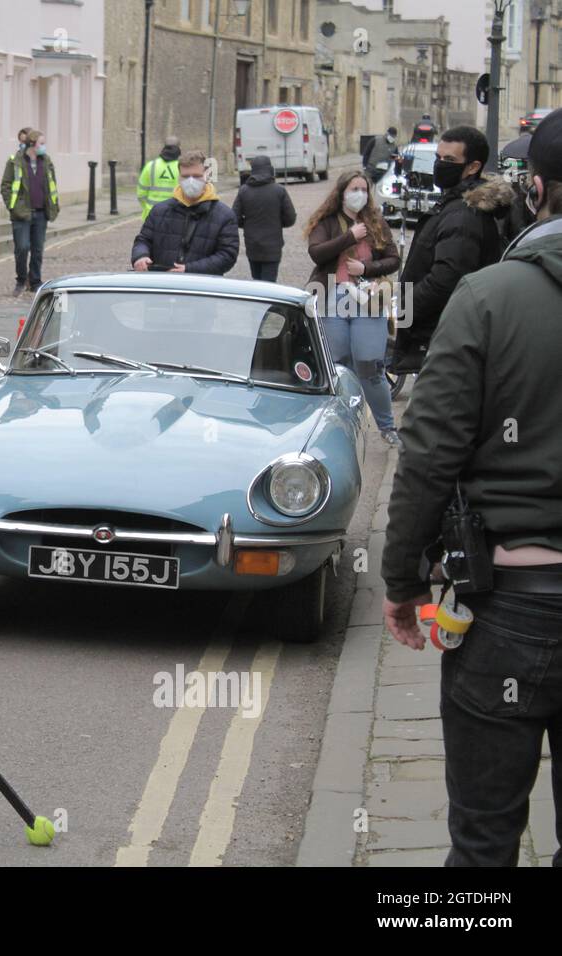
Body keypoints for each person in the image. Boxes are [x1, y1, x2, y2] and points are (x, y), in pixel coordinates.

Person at [381, 109, 562, 867]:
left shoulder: (488, 298)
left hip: (512, 611)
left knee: (485, 846)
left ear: (539, 188)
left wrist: (400, 577)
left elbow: (430, 454)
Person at [393, 125, 514, 371]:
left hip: (447, 341)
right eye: (438, 158)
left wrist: (404, 309)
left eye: (449, 160)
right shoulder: (455, 205)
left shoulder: (463, 214)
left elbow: (446, 279)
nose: (440, 165)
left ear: (473, 167)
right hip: (444, 338)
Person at [305, 170, 402, 445]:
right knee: (339, 366)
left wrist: (367, 268)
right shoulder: (326, 222)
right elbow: (317, 252)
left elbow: (393, 259)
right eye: (353, 189)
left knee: (370, 364)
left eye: (363, 189)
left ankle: (387, 426)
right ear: (342, 193)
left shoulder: (375, 222)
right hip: (331, 296)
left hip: (367, 300)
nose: (359, 194)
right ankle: (344, 425)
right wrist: (349, 236)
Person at [131, 149, 238, 275]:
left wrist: (190, 269)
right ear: (179, 177)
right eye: (186, 176)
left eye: (197, 176)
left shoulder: (224, 216)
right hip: (163, 284)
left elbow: (227, 255)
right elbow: (143, 240)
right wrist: (141, 256)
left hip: (202, 287)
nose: (191, 181)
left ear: (206, 175)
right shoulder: (160, 211)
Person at [1, 128, 60, 296]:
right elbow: (5, 186)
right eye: (41, 143)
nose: (44, 147)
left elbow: (52, 184)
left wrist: (53, 206)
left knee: (37, 249)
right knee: (22, 247)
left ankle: (35, 281)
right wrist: (14, 207)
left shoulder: (46, 161)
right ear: (33, 144)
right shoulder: (15, 161)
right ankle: (21, 280)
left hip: (41, 212)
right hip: (21, 214)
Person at [232, 154, 296, 282]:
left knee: (256, 280)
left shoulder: (244, 191)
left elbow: (234, 217)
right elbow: (290, 218)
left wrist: (247, 224)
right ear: (270, 169)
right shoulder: (279, 191)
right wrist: (276, 222)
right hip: (273, 246)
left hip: (252, 244)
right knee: (269, 283)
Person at [138, 136, 181, 221]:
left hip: (151, 214)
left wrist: (146, 207)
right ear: (179, 148)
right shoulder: (182, 167)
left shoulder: (151, 165)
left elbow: (141, 194)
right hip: (174, 214)